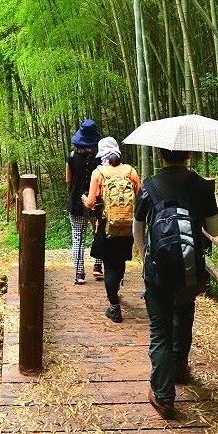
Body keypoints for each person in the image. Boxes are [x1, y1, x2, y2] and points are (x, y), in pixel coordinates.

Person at [132, 148, 218, 420]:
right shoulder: (200, 186)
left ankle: (163, 396)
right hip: (190, 270)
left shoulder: (148, 187)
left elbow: (138, 228)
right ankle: (180, 367)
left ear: (161, 156)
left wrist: (144, 260)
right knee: (183, 315)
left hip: (157, 272)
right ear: (189, 155)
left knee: (160, 332)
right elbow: (215, 230)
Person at [82, 137, 140, 323]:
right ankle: (115, 290)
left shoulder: (98, 173)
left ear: (102, 155)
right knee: (120, 261)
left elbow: (91, 203)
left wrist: (84, 200)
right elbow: (139, 196)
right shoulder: (131, 172)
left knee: (109, 266)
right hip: (127, 226)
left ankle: (114, 307)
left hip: (106, 226)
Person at [66, 119, 104, 285]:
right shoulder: (101, 157)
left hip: (76, 201)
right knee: (99, 234)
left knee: (77, 237)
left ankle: (80, 273)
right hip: (97, 202)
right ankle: (97, 266)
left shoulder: (72, 157)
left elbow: (68, 180)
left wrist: (74, 192)